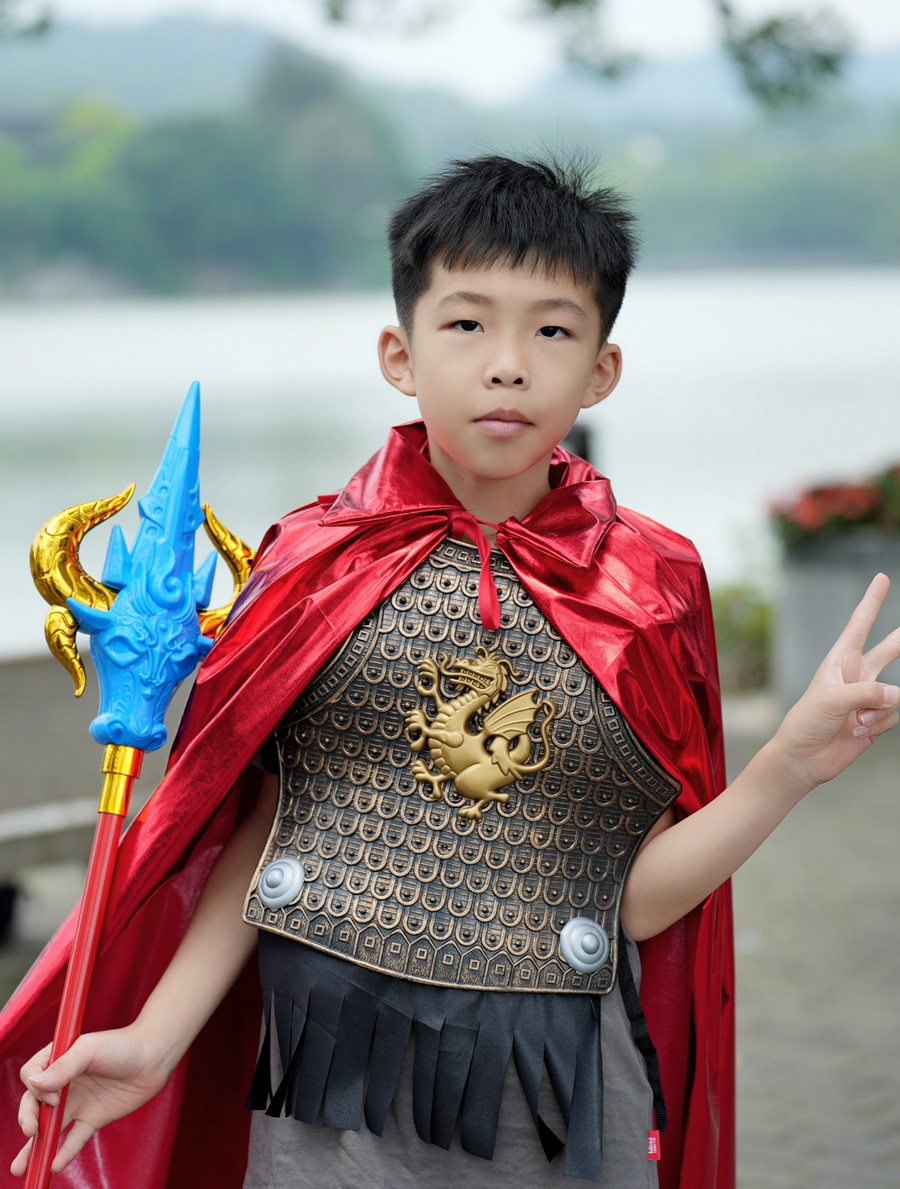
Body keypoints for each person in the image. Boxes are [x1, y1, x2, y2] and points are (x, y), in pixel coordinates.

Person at [3, 155, 899, 1189]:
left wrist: (788, 765)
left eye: (552, 331)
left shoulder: (650, 585)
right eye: (467, 323)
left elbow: (638, 901)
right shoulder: (316, 559)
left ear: (602, 370)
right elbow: (270, 831)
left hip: (561, 1094)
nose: (508, 365)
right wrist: (155, 1039)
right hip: (324, 1084)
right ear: (401, 352)